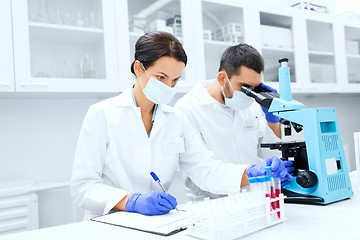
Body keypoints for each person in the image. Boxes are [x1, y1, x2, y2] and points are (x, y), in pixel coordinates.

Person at [70, 32, 292, 220]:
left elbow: (206, 170)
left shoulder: (176, 119)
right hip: (108, 223)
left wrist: (251, 172)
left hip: (156, 224)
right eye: (161, 77)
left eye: (175, 80)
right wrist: (131, 201)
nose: (169, 86)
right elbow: (83, 187)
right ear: (138, 68)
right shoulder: (102, 114)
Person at [175, 43, 294, 200]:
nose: (249, 94)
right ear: (222, 78)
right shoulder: (187, 110)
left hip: (256, 200)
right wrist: (250, 172)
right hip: (213, 206)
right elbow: (204, 173)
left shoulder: (252, 106)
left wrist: (273, 120)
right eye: (244, 87)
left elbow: (270, 154)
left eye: (255, 88)